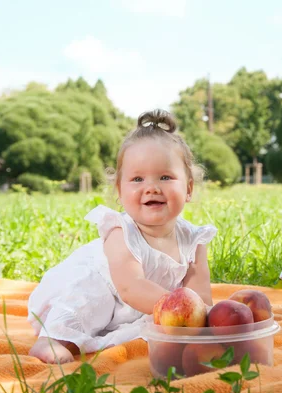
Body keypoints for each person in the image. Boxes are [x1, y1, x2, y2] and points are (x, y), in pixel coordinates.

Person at [27, 109, 217, 364]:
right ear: (119, 190)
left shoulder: (193, 240)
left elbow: (200, 299)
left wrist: (212, 320)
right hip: (104, 289)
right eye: (137, 179)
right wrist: (177, 310)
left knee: (152, 329)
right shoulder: (120, 231)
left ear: (189, 188)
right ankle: (52, 339)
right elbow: (130, 287)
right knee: (91, 300)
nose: (151, 187)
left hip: (141, 308)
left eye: (165, 177)